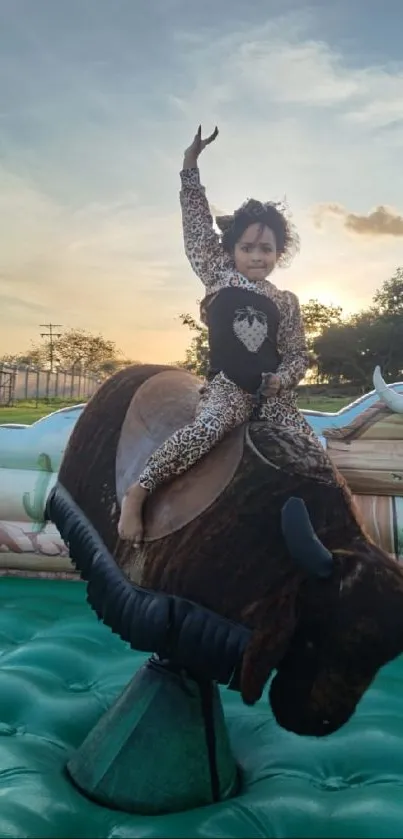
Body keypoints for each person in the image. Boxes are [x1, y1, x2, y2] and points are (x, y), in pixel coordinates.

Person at [118, 125, 318, 544]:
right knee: (205, 433)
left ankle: (302, 530)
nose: (257, 257)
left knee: (311, 449)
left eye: (266, 250)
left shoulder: (286, 301)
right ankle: (138, 494)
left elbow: (298, 354)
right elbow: (195, 222)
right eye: (248, 248)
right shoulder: (217, 272)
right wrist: (190, 165)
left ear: (278, 254)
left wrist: (284, 379)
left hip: (272, 394)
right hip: (229, 389)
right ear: (232, 250)